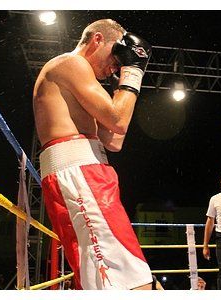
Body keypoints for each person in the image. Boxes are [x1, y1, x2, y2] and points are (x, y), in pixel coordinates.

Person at [33, 19, 153, 290]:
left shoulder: (85, 79)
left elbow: (114, 140)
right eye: (116, 53)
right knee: (132, 281)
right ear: (97, 40)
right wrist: (133, 72)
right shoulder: (70, 63)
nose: (117, 62)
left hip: (86, 174)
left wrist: (120, 86)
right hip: (79, 175)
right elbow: (118, 120)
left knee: (105, 282)